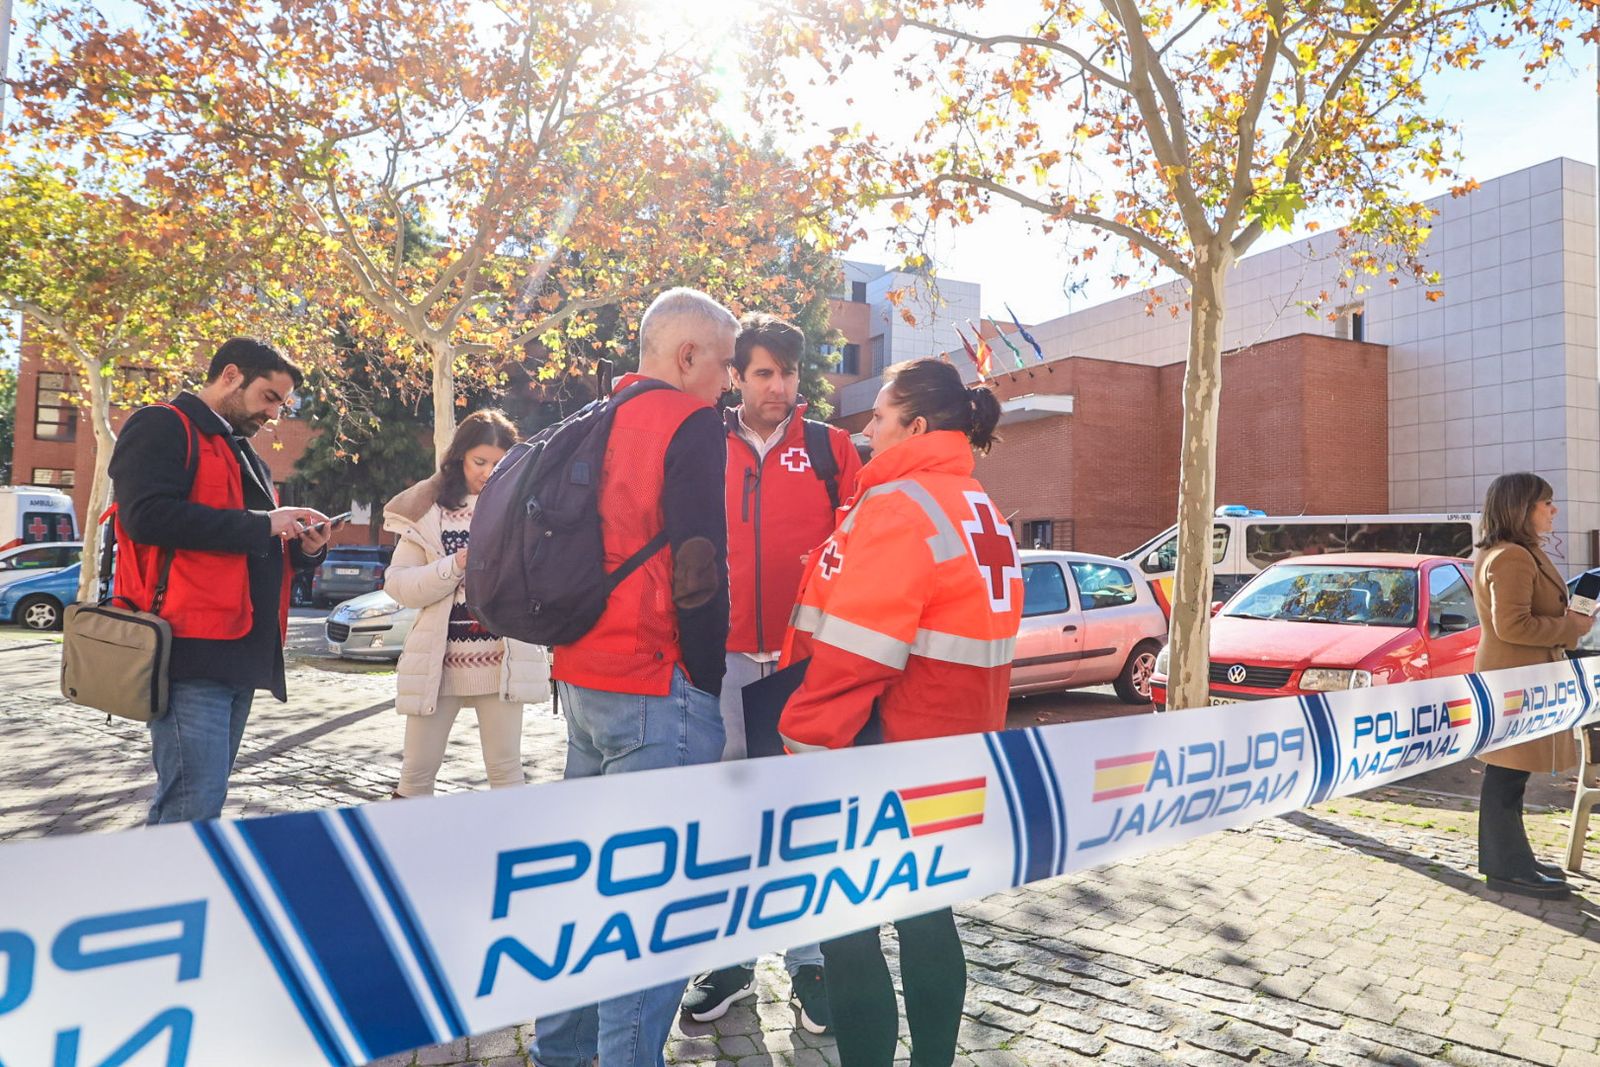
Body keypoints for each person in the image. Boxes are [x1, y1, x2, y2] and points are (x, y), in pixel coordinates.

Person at [777, 358, 1023, 1067]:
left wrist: (801, 743)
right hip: (954, 747)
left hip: (879, 747)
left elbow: (859, 653)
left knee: (849, 929)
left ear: (915, 426)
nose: (867, 428)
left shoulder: (897, 505)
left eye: (879, 415)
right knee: (927, 916)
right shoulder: (979, 507)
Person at [530, 288, 735, 1067]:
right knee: (651, 916)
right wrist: (707, 679)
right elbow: (698, 569)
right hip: (659, 688)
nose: (727, 385)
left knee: (589, 895)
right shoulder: (688, 422)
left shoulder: (596, 416)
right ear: (687, 357)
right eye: (721, 365)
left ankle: (559, 1051)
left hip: (584, 682)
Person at [680, 314, 861, 1033]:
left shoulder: (831, 448)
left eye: (788, 373)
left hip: (802, 658)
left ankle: (810, 957)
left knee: (804, 811)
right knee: (728, 814)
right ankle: (729, 959)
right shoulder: (700, 443)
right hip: (718, 657)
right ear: (736, 375)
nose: (779, 386)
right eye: (763, 372)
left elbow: (862, 541)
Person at [108, 337, 331, 824]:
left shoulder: (246, 453)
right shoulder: (161, 425)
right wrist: (262, 522)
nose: (274, 414)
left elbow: (251, 543)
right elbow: (145, 519)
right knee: (191, 810)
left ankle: (182, 895)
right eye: (270, 397)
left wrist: (305, 548)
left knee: (201, 808)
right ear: (231, 375)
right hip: (189, 651)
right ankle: (166, 899)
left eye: (283, 404)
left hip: (240, 653)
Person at [382, 409, 550, 797]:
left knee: (506, 773)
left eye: (500, 462)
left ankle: (510, 855)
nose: (489, 472)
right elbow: (400, 585)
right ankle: (401, 854)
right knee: (416, 774)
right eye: (479, 461)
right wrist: (455, 565)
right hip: (437, 666)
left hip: (504, 661)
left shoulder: (527, 509)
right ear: (459, 458)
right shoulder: (427, 513)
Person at [1472, 472, 1592, 900]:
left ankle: (1511, 860)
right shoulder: (1512, 557)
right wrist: (1571, 628)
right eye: (1546, 503)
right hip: (1515, 679)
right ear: (1522, 508)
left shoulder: (1513, 552)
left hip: (1518, 676)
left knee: (1509, 775)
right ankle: (1508, 868)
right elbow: (1512, 625)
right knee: (1507, 775)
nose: (1553, 509)